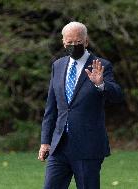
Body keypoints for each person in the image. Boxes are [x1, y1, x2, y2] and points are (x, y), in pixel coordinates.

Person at [38, 21, 123, 189]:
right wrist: (45, 141)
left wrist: (101, 84)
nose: (73, 45)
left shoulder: (101, 65)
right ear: (63, 42)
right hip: (60, 146)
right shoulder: (58, 65)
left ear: (86, 41)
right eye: (69, 42)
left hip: (87, 146)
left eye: (77, 42)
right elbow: (51, 108)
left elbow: (117, 96)